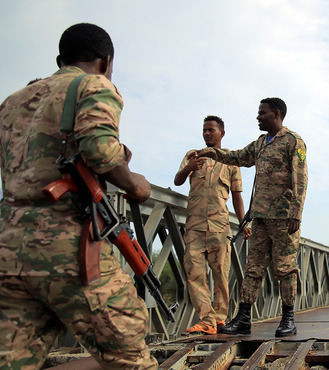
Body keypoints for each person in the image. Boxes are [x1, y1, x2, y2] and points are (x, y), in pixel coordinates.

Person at [0, 23, 158, 369]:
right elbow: (100, 151)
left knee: (11, 358)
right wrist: (134, 185)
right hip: (65, 247)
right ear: (105, 62)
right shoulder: (94, 84)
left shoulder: (12, 102)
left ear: (60, 59)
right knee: (128, 352)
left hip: (9, 250)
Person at [197, 97, 308, 337]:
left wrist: (296, 214)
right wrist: (213, 153)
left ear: (276, 114)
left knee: (285, 269)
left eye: (262, 113)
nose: (258, 117)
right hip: (260, 217)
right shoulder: (260, 143)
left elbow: (301, 179)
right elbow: (237, 157)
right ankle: (243, 318)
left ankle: (288, 319)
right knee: (253, 268)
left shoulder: (293, 141)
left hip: (283, 218)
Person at [174, 115, 251, 335]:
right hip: (195, 227)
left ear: (221, 134)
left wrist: (243, 221)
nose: (207, 133)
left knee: (220, 275)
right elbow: (178, 180)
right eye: (204, 130)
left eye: (211, 130)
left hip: (219, 226)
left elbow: (237, 196)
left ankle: (219, 319)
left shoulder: (231, 161)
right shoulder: (192, 156)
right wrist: (189, 167)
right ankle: (206, 318)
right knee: (194, 273)